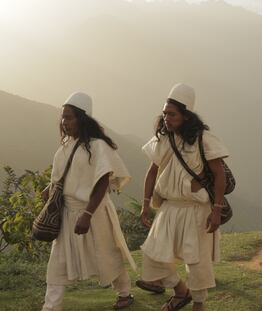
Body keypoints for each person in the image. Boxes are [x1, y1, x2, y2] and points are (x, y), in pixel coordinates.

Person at [136, 83, 229, 311]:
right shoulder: (163, 139)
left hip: (197, 209)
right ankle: (180, 291)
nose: (166, 118)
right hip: (169, 207)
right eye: (165, 113)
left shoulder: (203, 139)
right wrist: (146, 204)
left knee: (196, 263)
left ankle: (198, 304)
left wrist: (216, 209)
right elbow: (152, 172)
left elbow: (219, 175)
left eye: (172, 114)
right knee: (154, 255)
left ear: (186, 116)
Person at [41, 92, 136, 311]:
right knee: (57, 262)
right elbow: (62, 175)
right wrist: (50, 188)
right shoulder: (65, 146)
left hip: (93, 212)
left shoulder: (97, 146)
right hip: (67, 213)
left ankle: (124, 293)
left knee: (107, 254)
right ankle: (51, 307)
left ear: (82, 119)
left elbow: (103, 181)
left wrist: (88, 214)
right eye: (63, 117)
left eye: (70, 117)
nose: (64, 122)